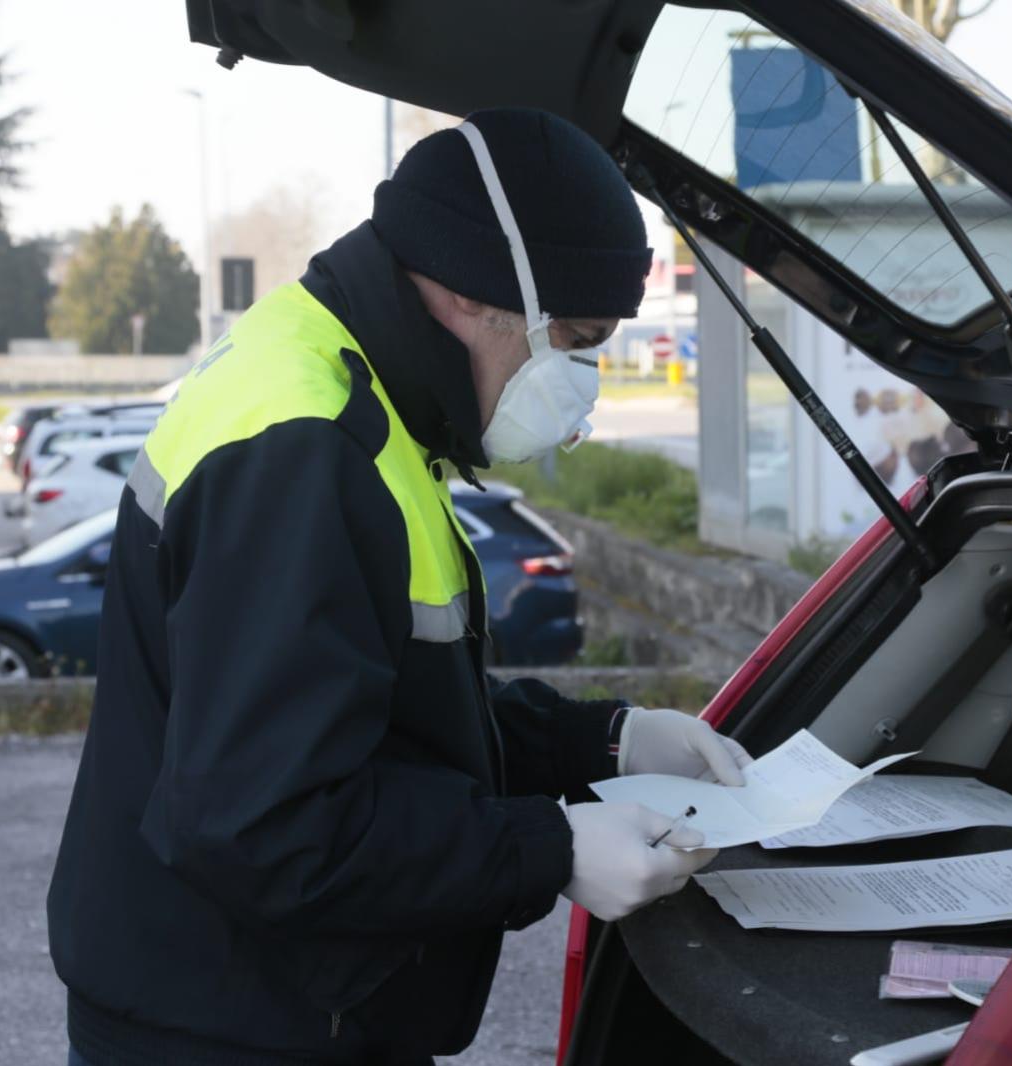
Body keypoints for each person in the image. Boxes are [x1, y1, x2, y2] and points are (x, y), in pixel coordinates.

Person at [47, 107, 751, 1066]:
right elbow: (266, 822)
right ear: (473, 294)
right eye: (576, 339)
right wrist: (550, 848)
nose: (582, 380)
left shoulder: (352, 392)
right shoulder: (304, 451)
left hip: (272, 1007)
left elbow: (374, 707)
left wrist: (606, 740)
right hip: (240, 1030)